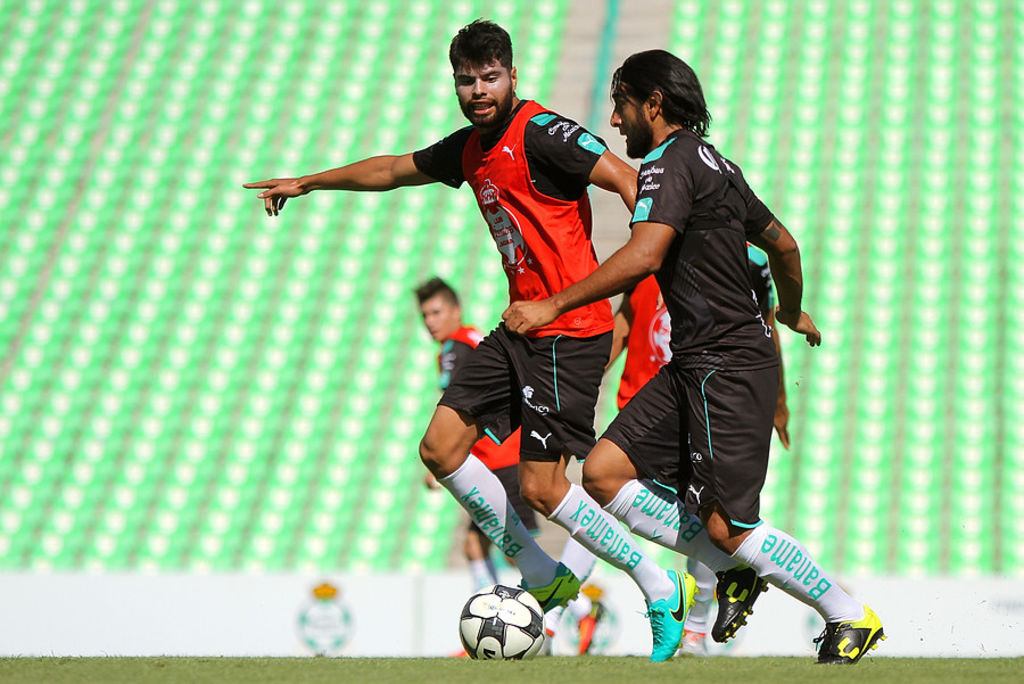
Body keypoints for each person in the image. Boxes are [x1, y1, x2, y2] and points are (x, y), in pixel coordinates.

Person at [245, 21, 702, 660]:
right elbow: (392, 169)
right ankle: (546, 575)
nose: (479, 90)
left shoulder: (543, 132)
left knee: (545, 489)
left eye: (491, 77)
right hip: (520, 326)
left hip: (568, 333)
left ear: (513, 77)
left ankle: (658, 587)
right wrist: (308, 183)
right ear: (456, 84)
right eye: (468, 79)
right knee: (440, 447)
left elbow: (627, 181)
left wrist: (648, 260)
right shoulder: (470, 148)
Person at [502, 49, 885, 665]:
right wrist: (788, 309)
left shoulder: (666, 164)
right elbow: (784, 244)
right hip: (694, 365)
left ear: (653, 104)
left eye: (622, 102)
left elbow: (645, 255)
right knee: (602, 473)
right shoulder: (717, 163)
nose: (616, 118)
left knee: (730, 528)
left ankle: (848, 614)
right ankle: (726, 572)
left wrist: (553, 305)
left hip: (727, 367)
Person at [607, 250, 789, 655]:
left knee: (705, 512)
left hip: (697, 403)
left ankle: (695, 630)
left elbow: (766, 326)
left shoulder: (744, 259)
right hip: (638, 405)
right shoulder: (643, 252)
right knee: (596, 488)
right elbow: (622, 324)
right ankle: (561, 617)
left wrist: (776, 400)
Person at [415, 276, 600, 650]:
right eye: (425, 316)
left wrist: (444, 460)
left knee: (512, 549)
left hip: (499, 461)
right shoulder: (466, 343)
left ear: (455, 310)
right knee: (475, 544)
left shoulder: (456, 347)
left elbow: (462, 412)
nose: (430, 322)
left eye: (436, 312)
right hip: (496, 457)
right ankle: (490, 621)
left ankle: (579, 608)